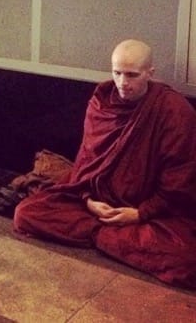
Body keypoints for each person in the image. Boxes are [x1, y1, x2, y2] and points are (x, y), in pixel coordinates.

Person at [13, 39, 196, 289]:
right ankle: (111, 238)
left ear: (150, 74)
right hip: (96, 203)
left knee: (187, 261)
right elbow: (86, 162)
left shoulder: (174, 111)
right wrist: (88, 199)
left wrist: (141, 213)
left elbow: (179, 180)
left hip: (146, 210)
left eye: (132, 75)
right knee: (26, 214)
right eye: (117, 73)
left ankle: (102, 236)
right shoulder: (101, 102)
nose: (123, 83)